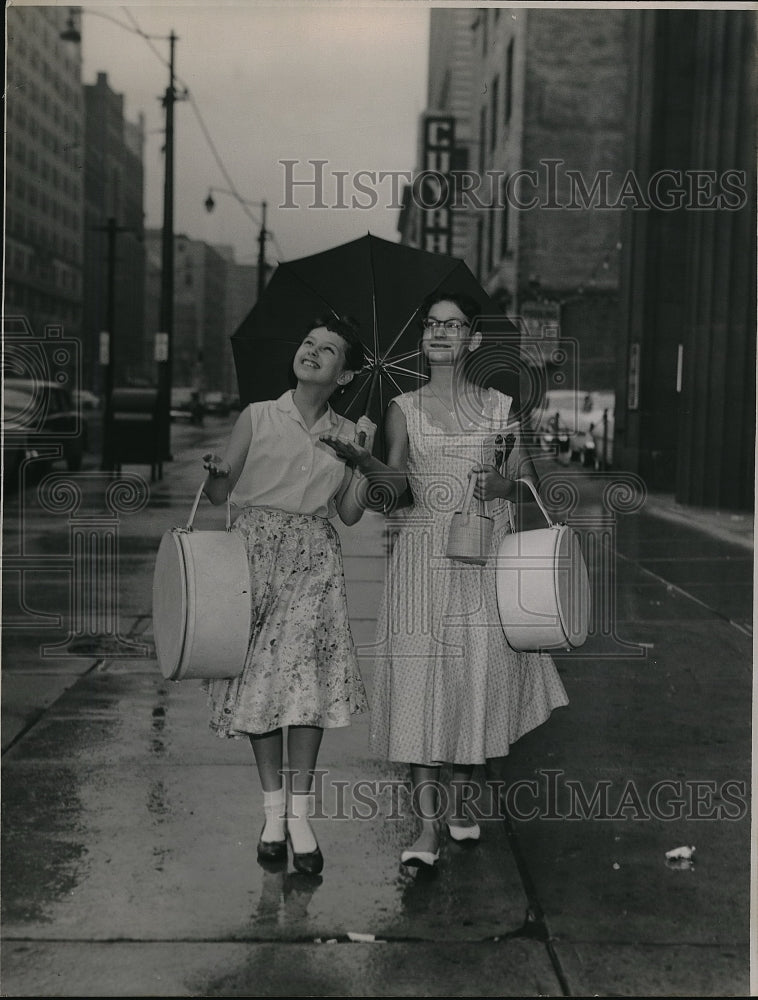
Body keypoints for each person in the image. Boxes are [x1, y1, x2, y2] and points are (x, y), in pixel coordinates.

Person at [322, 291, 568, 869]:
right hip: (422, 561)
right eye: (431, 324)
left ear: (473, 341)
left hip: (483, 560)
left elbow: (528, 480)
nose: (439, 333)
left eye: (453, 326)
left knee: (471, 683)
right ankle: (427, 827)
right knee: (419, 689)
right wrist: (364, 464)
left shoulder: (501, 406)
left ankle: (460, 805)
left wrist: (503, 488)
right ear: (423, 338)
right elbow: (395, 488)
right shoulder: (401, 408)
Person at [202, 316, 375, 876]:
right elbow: (220, 493)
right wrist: (216, 472)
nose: (312, 352)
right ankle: (272, 815)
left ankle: (300, 817)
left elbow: (348, 514)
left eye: (328, 350)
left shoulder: (350, 432)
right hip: (253, 555)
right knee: (260, 687)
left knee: (307, 687)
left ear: (344, 374)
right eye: (308, 342)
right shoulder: (257, 416)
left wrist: (363, 465)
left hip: (315, 564)